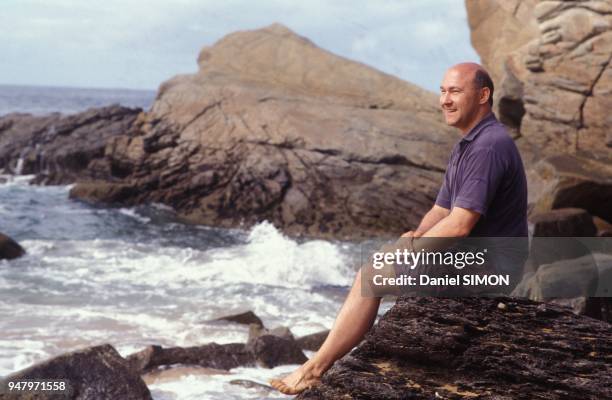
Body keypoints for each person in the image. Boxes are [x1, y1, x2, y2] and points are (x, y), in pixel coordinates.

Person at [269, 62, 528, 395]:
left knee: (370, 277)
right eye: (443, 91)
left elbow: (461, 224)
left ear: (483, 95)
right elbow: (441, 210)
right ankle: (317, 365)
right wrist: (413, 238)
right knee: (380, 267)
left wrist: (413, 250)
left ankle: (314, 369)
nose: (445, 100)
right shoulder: (468, 144)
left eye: (455, 91)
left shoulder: (487, 146)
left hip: (493, 270)